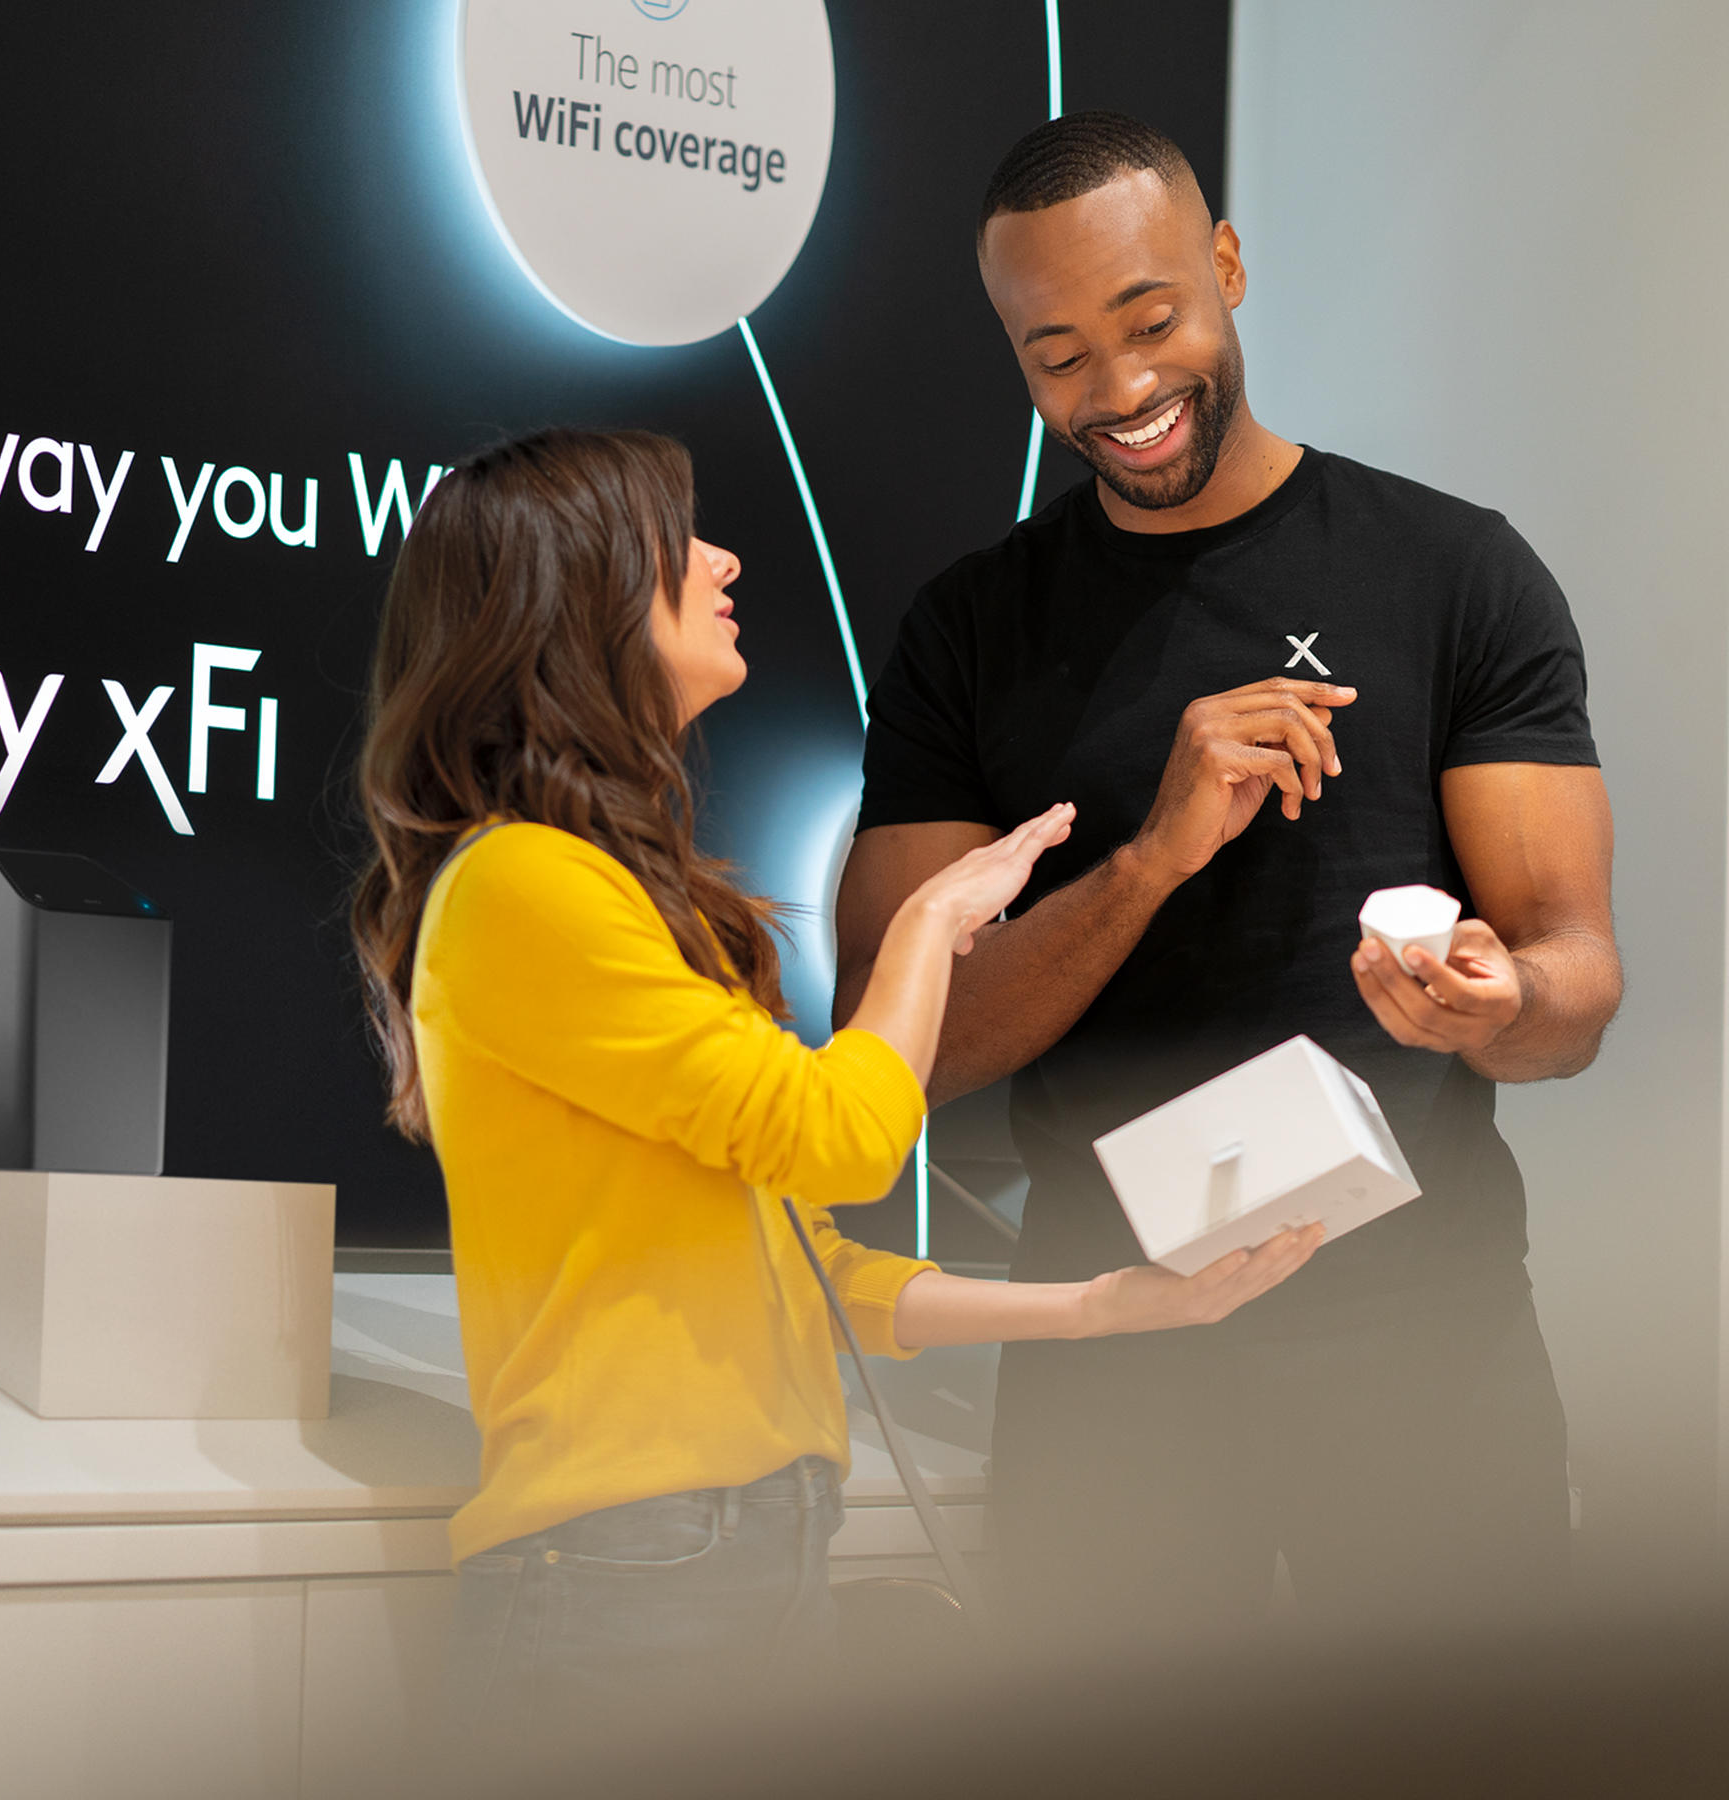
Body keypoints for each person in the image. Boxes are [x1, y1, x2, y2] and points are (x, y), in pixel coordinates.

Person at [348, 427, 1319, 1759]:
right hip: (633, 1565)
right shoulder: (521, 883)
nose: (722, 560)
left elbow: (810, 1271)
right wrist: (929, 924)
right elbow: (845, 1141)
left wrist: (1101, 1308)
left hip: (736, 1546)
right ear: (575, 597)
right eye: (677, 540)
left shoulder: (598, 891)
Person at [834, 114, 1622, 1643]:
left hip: (1423, 1335)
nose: (1121, 389)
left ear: (1229, 267)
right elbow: (900, 1050)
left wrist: (1498, 1003)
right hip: (1108, 1338)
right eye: (1059, 355)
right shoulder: (973, 631)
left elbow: (1575, 980)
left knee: (1457, 1751)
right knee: (1104, 1748)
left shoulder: (1454, 573)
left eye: (1151, 321)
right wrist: (1150, 860)